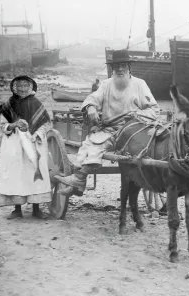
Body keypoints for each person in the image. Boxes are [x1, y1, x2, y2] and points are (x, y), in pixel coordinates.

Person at [55, 49, 160, 196]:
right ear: (112, 68)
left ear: (129, 67)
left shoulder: (140, 84)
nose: (120, 69)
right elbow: (92, 98)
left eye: (123, 65)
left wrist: (136, 116)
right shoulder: (106, 84)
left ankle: (78, 180)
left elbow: (154, 110)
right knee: (89, 144)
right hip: (110, 130)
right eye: (117, 66)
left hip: (134, 132)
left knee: (97, 144)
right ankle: (79, 181)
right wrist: (91, 107)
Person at [0, 75, 52, 219]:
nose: (22, 89)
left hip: (33, 143)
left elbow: (46, 124)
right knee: (17, 174)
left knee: (34, 172)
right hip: (14, 144)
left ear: (30, 87)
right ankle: (17, 209)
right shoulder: (8, 104)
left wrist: (37, 135)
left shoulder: (36, 103)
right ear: (14, 87)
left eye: (25, 86)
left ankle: (36, 209)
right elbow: (3, 125)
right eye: (19, 86)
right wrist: (14, 124)